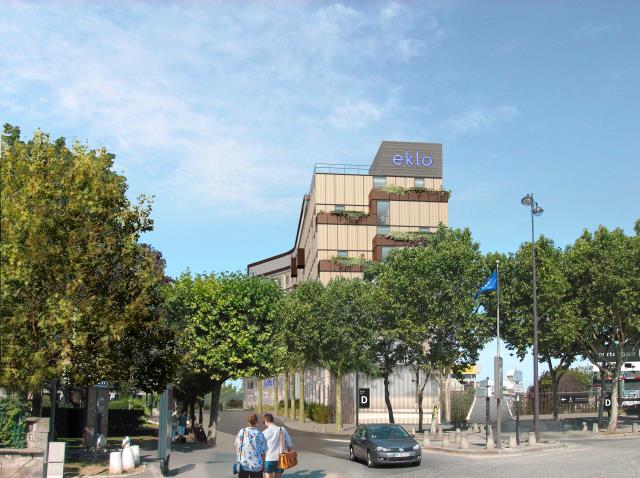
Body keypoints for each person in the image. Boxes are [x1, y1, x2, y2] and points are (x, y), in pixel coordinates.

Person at [235, 413, 267, 478]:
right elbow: (263, 453)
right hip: (256, 465)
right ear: (257, 422)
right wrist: (263, 465)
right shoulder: (260, 434)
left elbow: (237, 446)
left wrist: (239, 458)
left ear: (248, 421)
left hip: (243, 464)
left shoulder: (242, 432)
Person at [262, 413, 294, 478]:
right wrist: (288, 450)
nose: (264, 424)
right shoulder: (282, 429)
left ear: (267, 421)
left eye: (264, 422)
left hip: (269, 458)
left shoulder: (264, 432)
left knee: (268, 475)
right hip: (280, 458)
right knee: (278, 475)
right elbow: (289, 443)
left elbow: (261, 447)